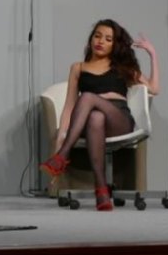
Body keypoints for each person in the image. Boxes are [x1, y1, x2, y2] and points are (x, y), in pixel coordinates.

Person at [40, 19, 159, 211]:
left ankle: (63, 156)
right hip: (90, 123)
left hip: (119, 120)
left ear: (114, 44)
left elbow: (154, 88)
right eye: (97, 36)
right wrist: (60, 138)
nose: (101, 41)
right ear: (91, 39)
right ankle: (101, 190)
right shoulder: (78, 68)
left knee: (88, 97)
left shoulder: (122, 66)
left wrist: (152, 54)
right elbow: (69, 107)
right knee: (96, 117)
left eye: (108, 39)